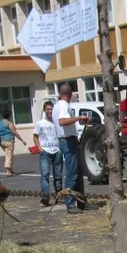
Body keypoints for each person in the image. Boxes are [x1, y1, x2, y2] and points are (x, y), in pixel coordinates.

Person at [52, 83, 90, 214]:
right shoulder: (63, 105)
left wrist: (78, 121)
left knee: (77, 171)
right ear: (70, 94)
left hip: (66, 139)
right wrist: (79, 117)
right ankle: (70, 203)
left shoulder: (57, 106)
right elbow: (62, 121)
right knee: (72, 173)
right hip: (68, 140)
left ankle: (80, 201)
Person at [33, 101, 62, 207]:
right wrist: (40, 148)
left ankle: (59, 196)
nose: (50, 111)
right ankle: (45, 197)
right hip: (45, 151)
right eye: (48, 109)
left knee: (58, 176)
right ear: (44, 111)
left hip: (57, 151)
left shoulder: (57, 122)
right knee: (45, 175)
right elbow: (35, 136)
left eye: (51, 109)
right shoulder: (40, 123)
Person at [0, 108, 28, 176]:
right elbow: (14, 132)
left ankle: (11, 170)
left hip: (2, 141)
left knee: (9, 155)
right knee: (9, 156)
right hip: (9, 141)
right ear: (9, 116)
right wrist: (22, 140)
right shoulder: (9, 123)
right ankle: (8, 172)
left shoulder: (0, 123)